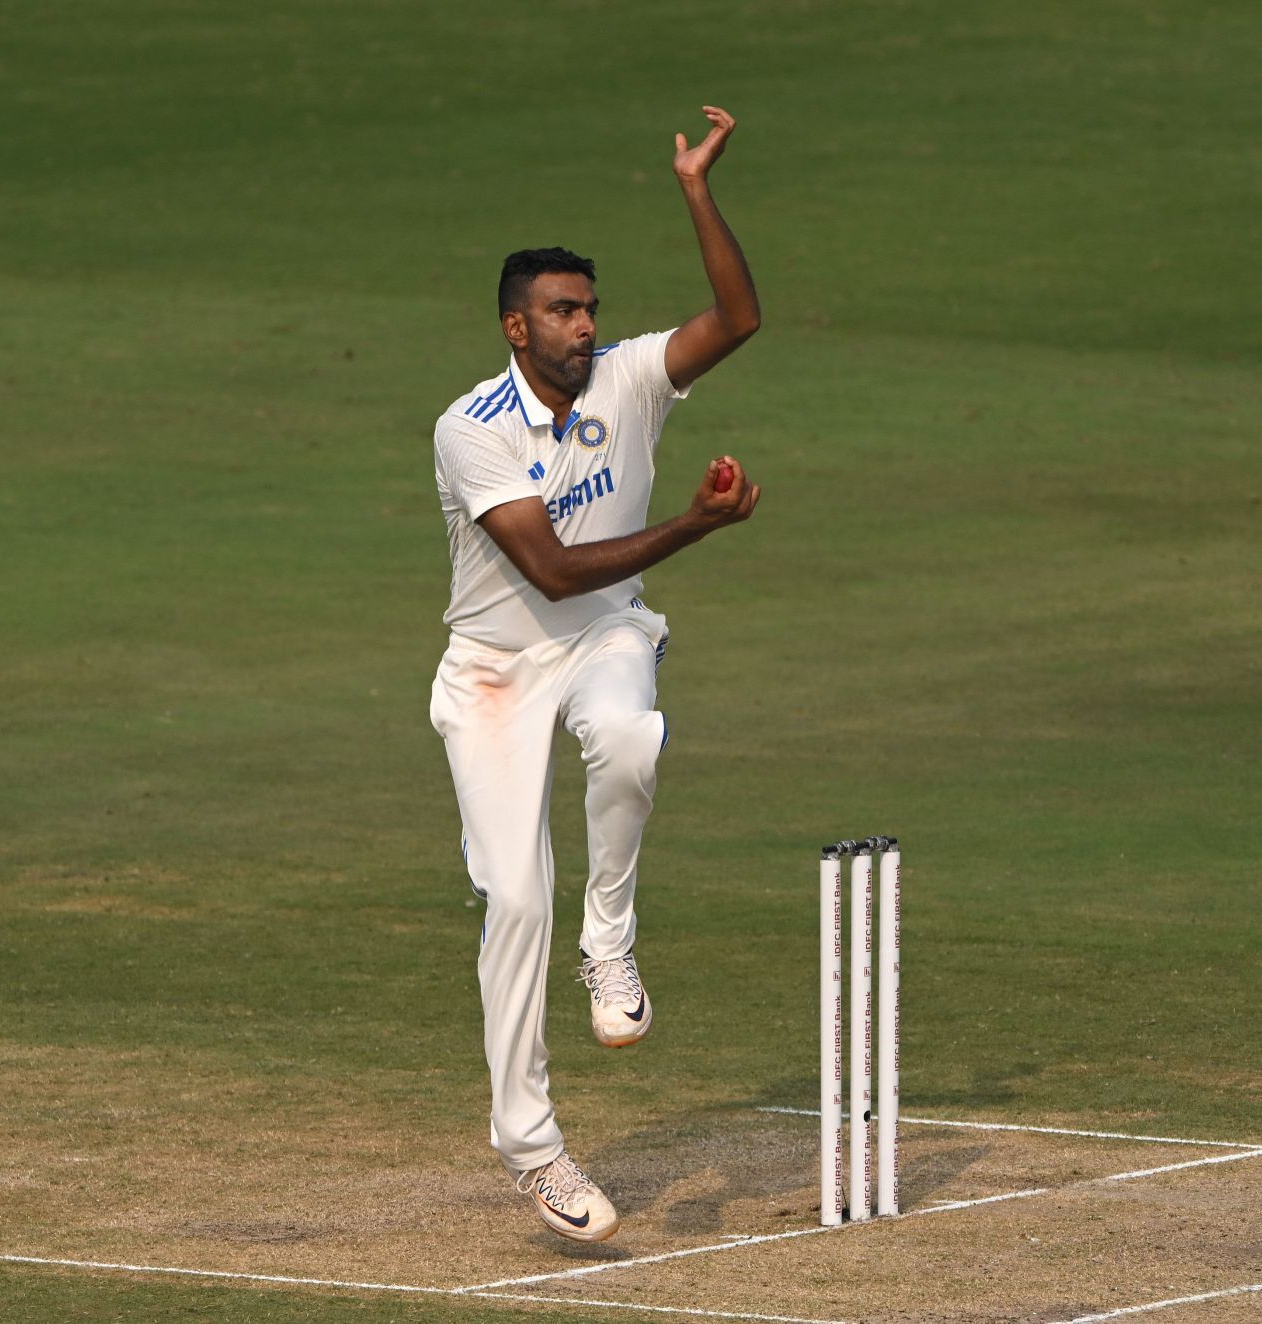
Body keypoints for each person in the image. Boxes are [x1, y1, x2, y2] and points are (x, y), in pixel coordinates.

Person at [428, 106, 762, 1243]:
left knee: (631, 735)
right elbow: (552, 570)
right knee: (512, 900)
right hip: (493, 675)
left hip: (608, 630)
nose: (585, 327)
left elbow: (738, 317)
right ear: (515, 326)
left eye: (590, 309)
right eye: (563, 312)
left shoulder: (627, 380)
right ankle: (531, 1149)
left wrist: (694, 191)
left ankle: (609, 940)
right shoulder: (469, 429)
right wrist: (696, 526)